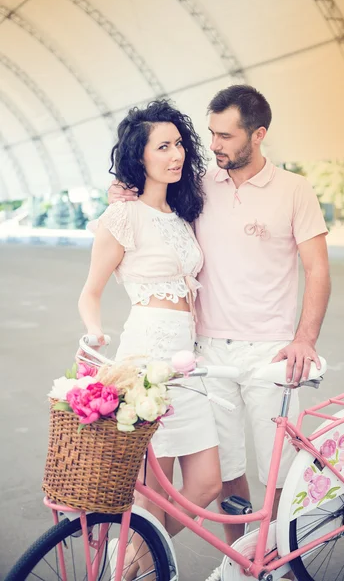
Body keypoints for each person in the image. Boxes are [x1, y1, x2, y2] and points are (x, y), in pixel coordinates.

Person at [109, 85, 330, 579]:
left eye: (225, 136)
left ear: (259, 134)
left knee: (276, 474)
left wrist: (305, 339)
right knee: (228, 473)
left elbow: (318, 270)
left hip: (271, 353)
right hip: (206, 353)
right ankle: (244, 564)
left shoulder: (296, 190)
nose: (214, 145)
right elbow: (149, 201)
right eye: (210, 134)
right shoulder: (201, 185)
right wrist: (119, 196)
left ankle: (279, 562)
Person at [79, 100, 222, 579]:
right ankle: (139, 570)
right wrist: (94, 331)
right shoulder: (121, 217)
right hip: (145, 355)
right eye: (163, 146)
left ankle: (132, 565)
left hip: (188, 360)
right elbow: (90, 292)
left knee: (205, 484)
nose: (176, 154)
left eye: (179, 143)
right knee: (151, 495)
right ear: (140, 157)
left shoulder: (183, 216)